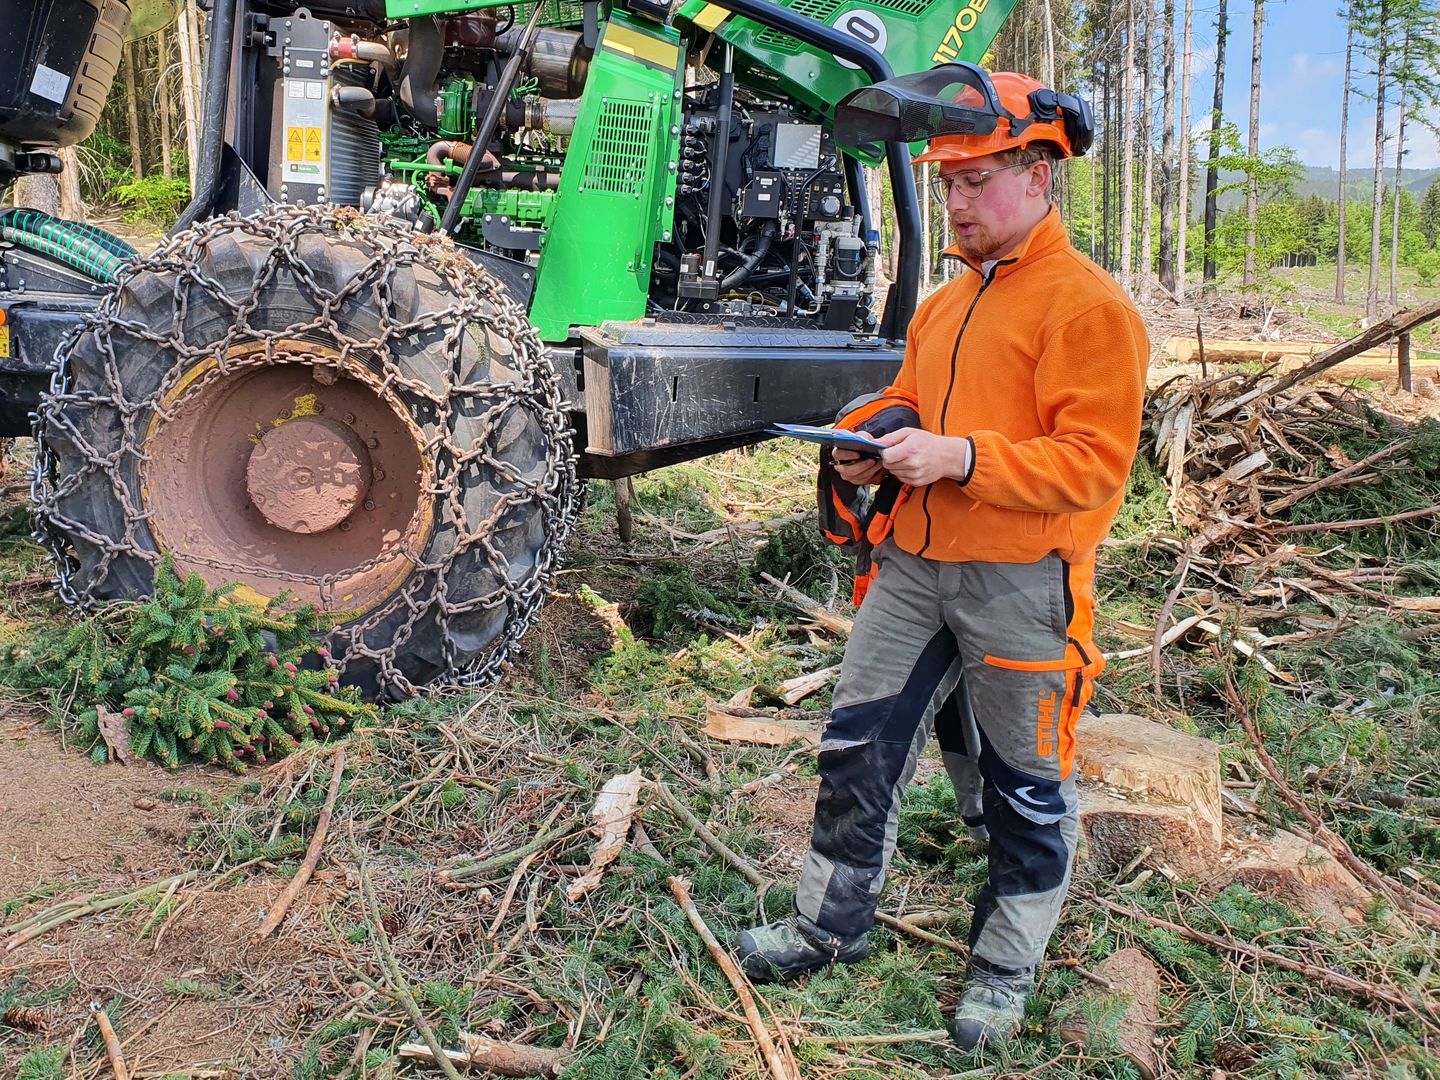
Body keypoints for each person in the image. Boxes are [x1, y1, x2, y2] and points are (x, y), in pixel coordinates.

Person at [735, 67, 1149, 1052]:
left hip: (1022, 582)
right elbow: (916, 401)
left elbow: (1093, 467)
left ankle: (1003, 974)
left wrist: (961, 458)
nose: (956, 204)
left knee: (1025, 785)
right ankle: (826, 926)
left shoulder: (1088, 311)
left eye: (975, 182)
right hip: (917, 564)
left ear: (1040, 176)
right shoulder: (945, 306)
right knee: (858, 744)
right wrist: (869, 433)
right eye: (948, 184)